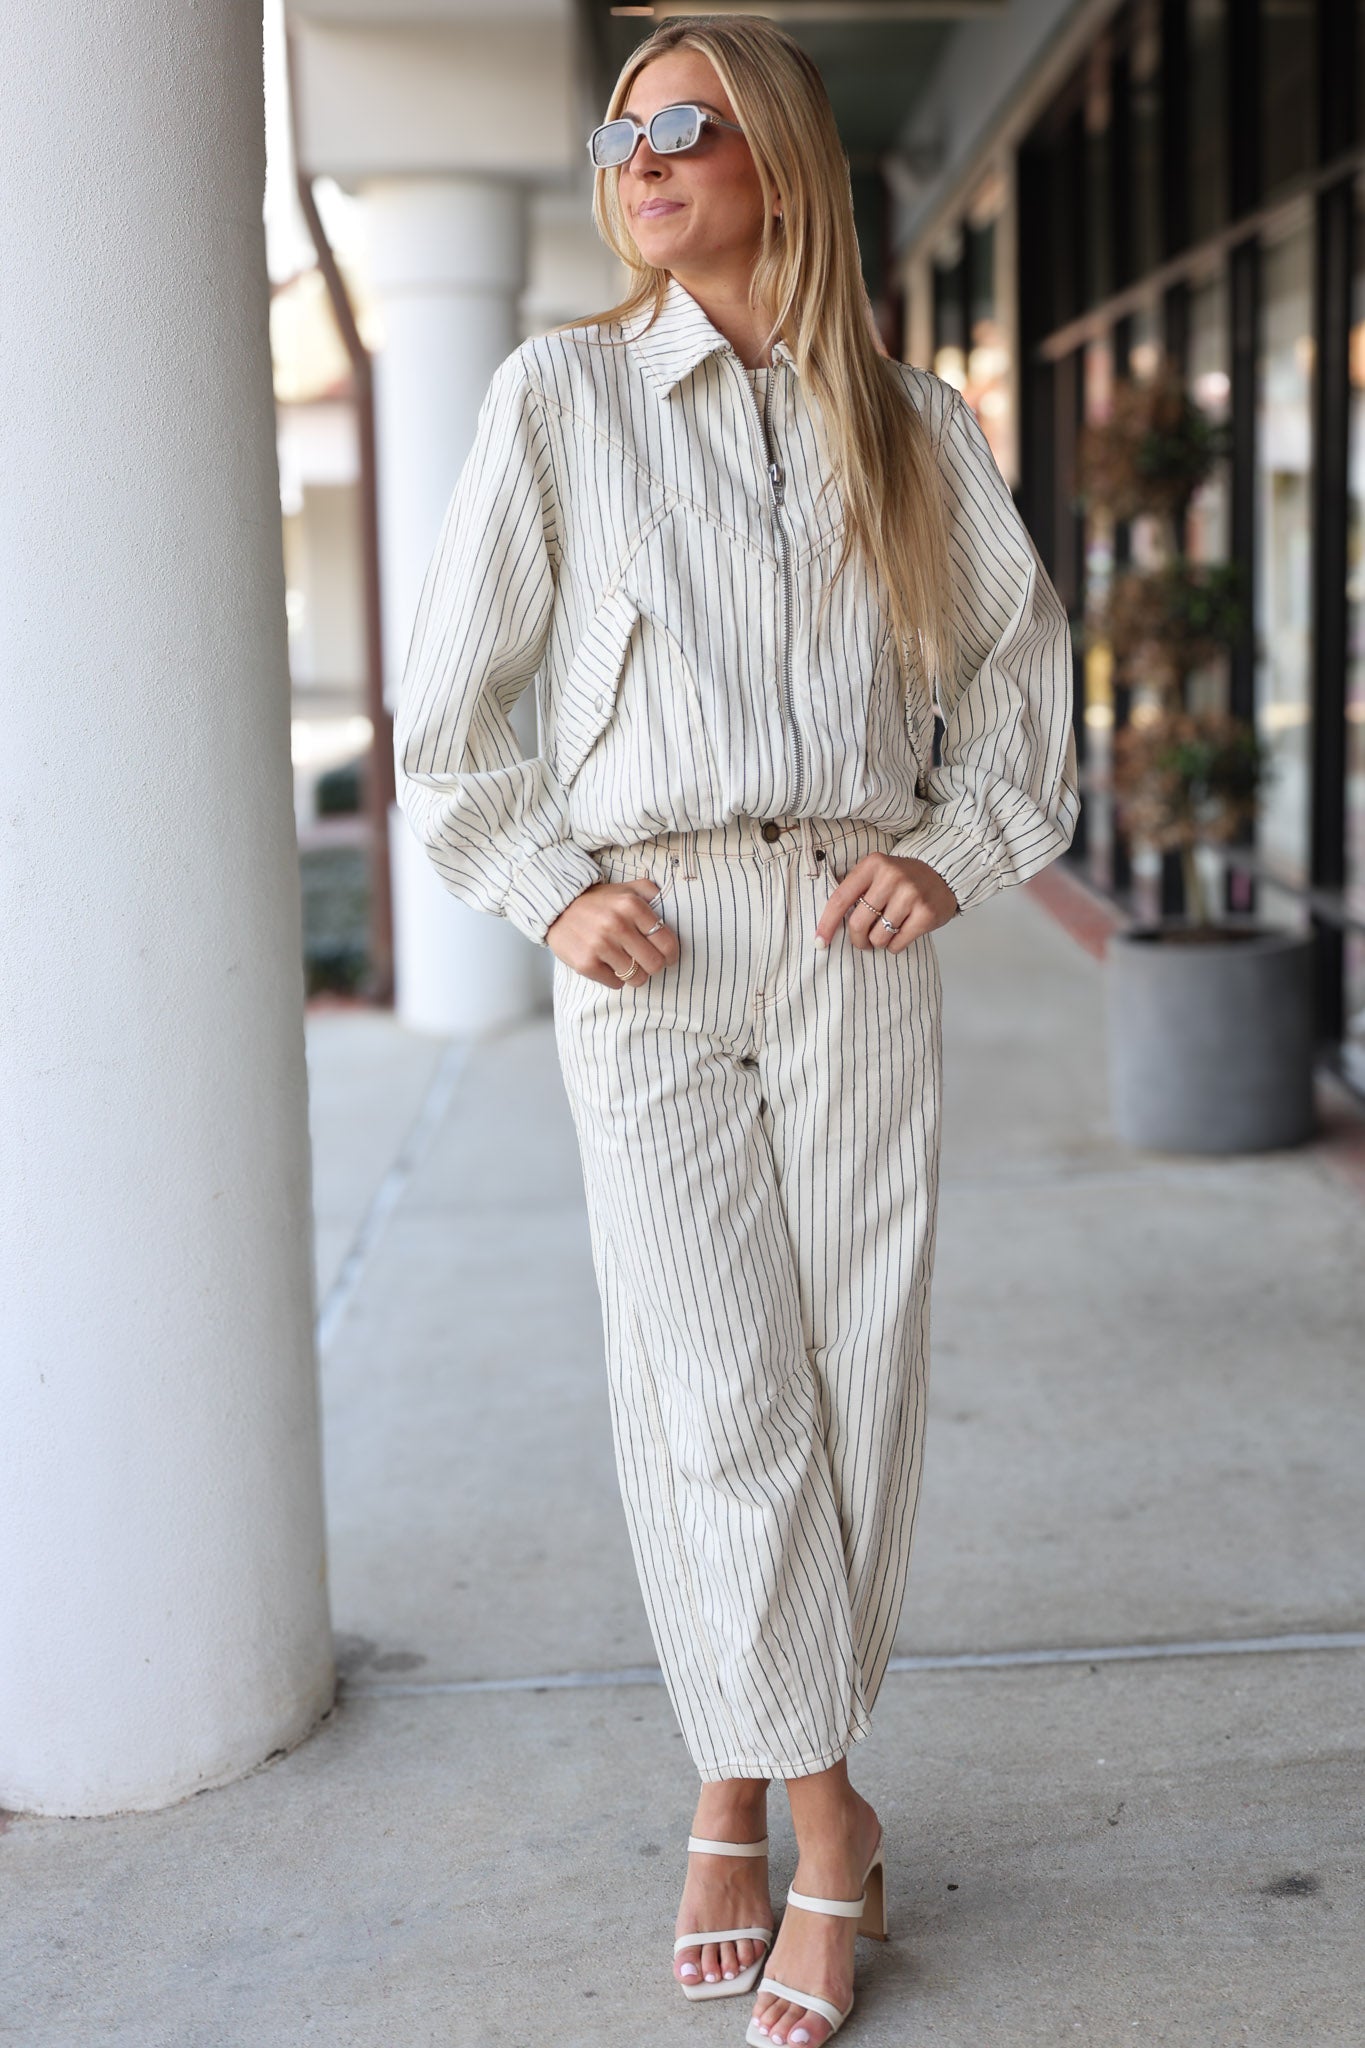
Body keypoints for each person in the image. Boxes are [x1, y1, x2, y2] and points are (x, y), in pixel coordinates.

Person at [392, 16, 1079, 2043]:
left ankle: (721, 1784)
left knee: (850, 1381)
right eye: (620, 132)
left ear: (774, 156)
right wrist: (546, 883)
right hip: (659, 945)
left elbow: (1021, 687)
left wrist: (953, 851)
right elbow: (450, 727)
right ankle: (829, 1817)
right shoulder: (560, 401)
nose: (641, 157)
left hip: (853, 931)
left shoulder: (916, 429)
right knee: (716, 1390)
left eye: (680, 125)